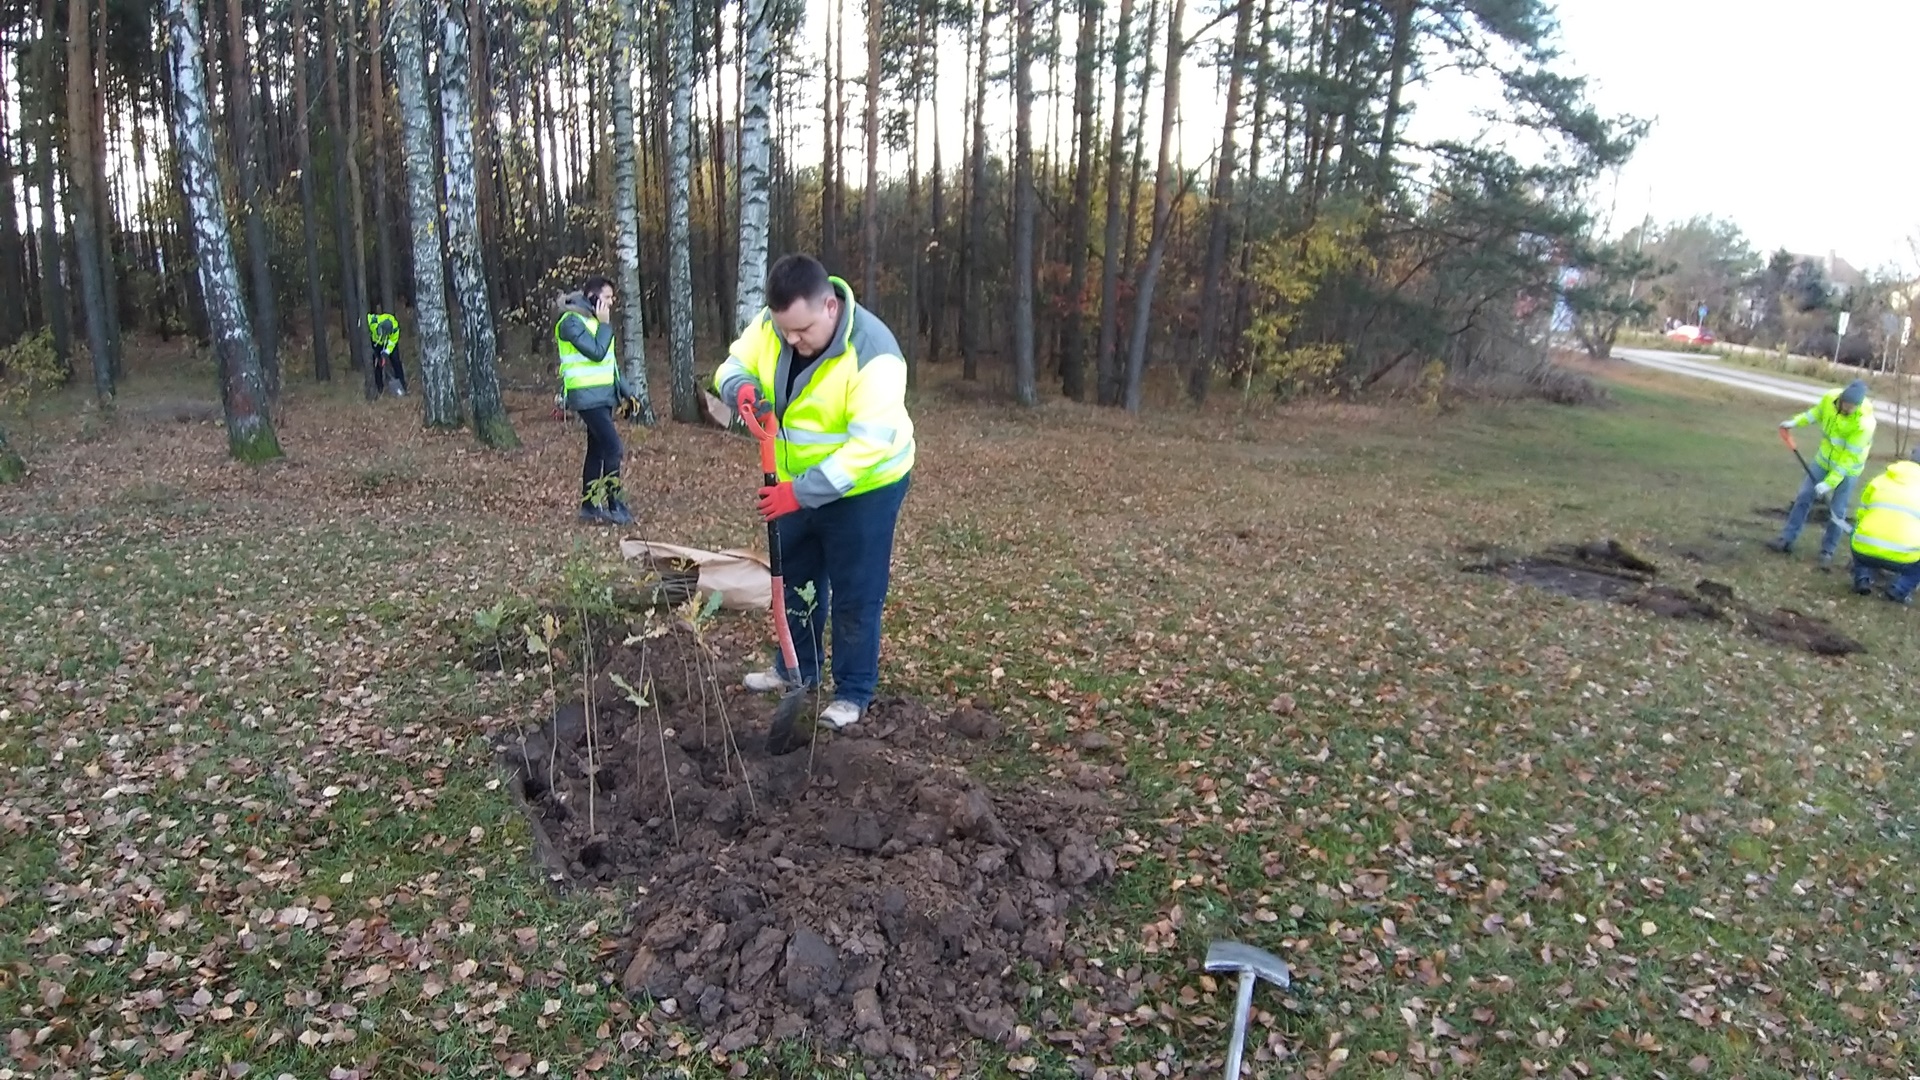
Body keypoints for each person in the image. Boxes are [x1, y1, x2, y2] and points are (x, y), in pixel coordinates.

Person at [714, 254, 915, 732]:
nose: (792, 340)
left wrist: (802, 494)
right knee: (795, 581)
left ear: (829, 306)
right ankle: (796, 669)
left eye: (802, 331)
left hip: (865, 488)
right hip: (792, 484)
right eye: (785, 330)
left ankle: (853, 691)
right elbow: (731, 366)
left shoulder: (875, 354)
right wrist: (740, 389)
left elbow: (868, 447)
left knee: (855, 591)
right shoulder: (773, 325)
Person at [555, 276, 639, 526]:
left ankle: (589, 507)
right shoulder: (570, 321)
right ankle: (615, 506)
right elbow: (596, 352)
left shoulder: (593, 321)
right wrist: (604, 325)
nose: (611, 302)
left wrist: (627, 393)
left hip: (602, 396)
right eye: (607, 297)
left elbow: (609, 363)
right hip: (585, 397)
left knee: (597, 451)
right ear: (592, 297)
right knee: (614, 448)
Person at [1769, 379, 1875, 568]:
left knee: (1837, 509)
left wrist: (1829, 484)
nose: (1849, 409)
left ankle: (1827, 551)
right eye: (1847, 405)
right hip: (1823, 460)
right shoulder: (1830, 398)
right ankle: (1787, 538)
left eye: (1853, 407)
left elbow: (1848, 459)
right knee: (1804, 496)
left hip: (1848, 470)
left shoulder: (1864, 424)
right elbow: (1816, 414)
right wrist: (1795, 422)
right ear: (1842, 399)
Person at [1848, 449, 1920, 604]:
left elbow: (1861, 513)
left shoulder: (1880, 479)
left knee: (1858, 528)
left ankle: (1862, 578)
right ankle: (1899, 590)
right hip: (1903, 557)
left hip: (1864, 550)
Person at [366, 312, 407, 396]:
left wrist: (386, 353)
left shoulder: (395, 329)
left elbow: (392, 342)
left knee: (395, 360)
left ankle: (402, 384)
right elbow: (363, 319)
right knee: (377, 364)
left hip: (389, 344)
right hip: (376, 343)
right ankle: (379, 387)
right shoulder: (373, 321)